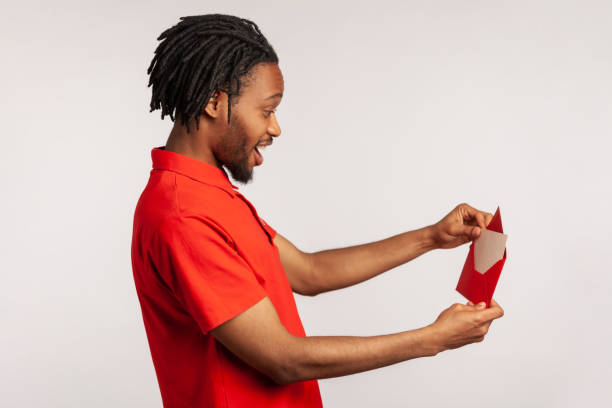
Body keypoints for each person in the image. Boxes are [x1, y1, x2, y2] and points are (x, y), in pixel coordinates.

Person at [131, 13, 505, 408]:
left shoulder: (209, 193)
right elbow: (281, 358)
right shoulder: (183, 216)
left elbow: (309, 272)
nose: (275, 128)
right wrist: (430, 340)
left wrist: (430, 237)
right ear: (213, 102)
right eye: (266, 110)